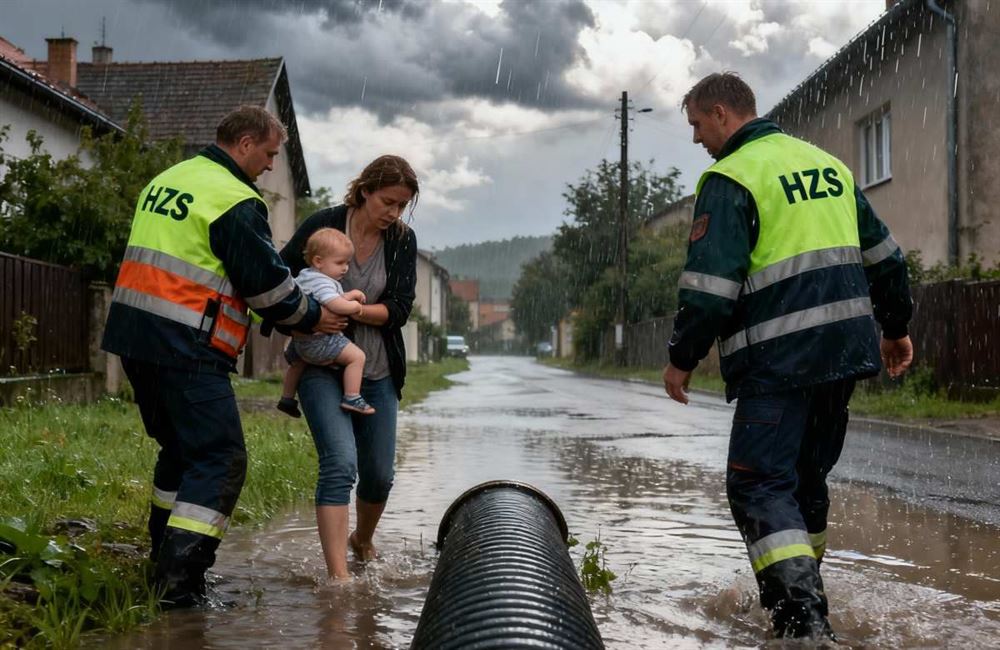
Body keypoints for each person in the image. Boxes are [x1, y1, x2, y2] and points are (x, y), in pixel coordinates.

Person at [662, 73, 914, 640]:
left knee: (757, 485)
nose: (698, 139)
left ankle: (802, 622)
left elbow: (709, 288)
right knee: (804, 483)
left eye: (698, 125)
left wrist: (682, 356)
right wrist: (895, 327)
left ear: (723, 114)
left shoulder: (730, 176)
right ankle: (805, 599)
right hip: (842, 357)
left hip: (778, 361)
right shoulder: (828, 165)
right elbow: (887, 258)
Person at [101, 105, 341, 607]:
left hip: (134, 338)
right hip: (186, 345)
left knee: (180, 451)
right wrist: (314, 316)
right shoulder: (234, 198)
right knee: (220, 457)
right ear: (247, 143)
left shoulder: (170, 178)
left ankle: (160, 562)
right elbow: (269, 289)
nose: (272, 166)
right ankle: (179, 587)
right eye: (271, 153)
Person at [274, 155, 418, 580]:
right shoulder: (324, 224)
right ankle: (339, 579)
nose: (393, 213)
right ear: (365, 190)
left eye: (402, 206)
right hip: (320, 364)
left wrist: (345, 311)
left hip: (377, 368)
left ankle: (363, 539)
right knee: (339, 463)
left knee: (378, 476)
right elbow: (279, 275)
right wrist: (303, 318)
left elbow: (399, 308)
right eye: (388, 201)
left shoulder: (401, 241)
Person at [277, 228, 376, 418]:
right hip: (320, 342)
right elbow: (335, 304)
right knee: (357, 357)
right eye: (340, 263)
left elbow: (327, 299)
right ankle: (352, 397)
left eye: (347, 262)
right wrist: (355, 307)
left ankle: (287, 398)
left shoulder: (306, 277)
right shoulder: (322, 281)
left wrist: (350, 294)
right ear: (318, 261)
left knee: (297, 365)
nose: (345, 268)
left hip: (300, 342)